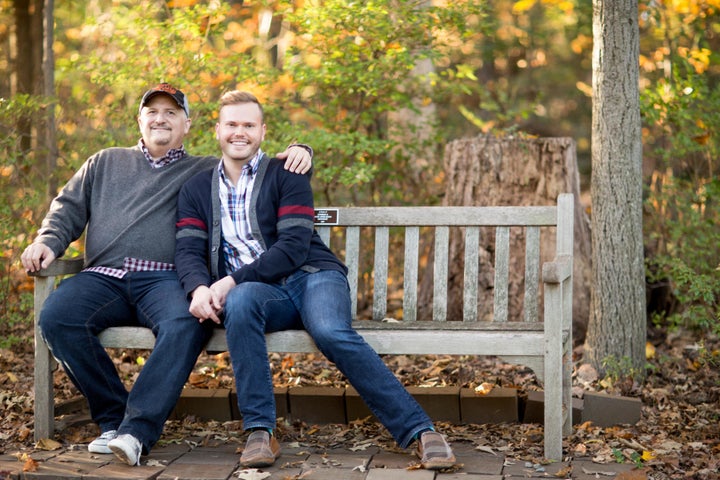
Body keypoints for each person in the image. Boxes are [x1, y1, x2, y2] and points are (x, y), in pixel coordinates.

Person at [20, 83, 312, 466]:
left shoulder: (205, 170)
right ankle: (115, 419)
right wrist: (48, 241)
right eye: (152, 112)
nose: (161, 118)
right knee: (57, 318)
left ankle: (137, 432)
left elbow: (251, 157)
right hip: (104, 277)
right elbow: (67, 209)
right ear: (139, 120)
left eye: (171, 113)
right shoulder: (104, 161)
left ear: (187, 125)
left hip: (165, 280)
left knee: (187, 323)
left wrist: (300, 150)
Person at [174, 90, 457, 470]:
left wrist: (229, 280)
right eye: (231, 124)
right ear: (217, 130)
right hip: (261, 293)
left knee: (329, 330)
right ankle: (260, 432)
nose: (239, 132)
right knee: (241, 304)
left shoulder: (287, 173)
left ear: (262, 131)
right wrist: (199, 287)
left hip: (312, 276)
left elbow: (292, 247)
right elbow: (188, 250)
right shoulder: (196, 188)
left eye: (248, 125)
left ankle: (421, 431)